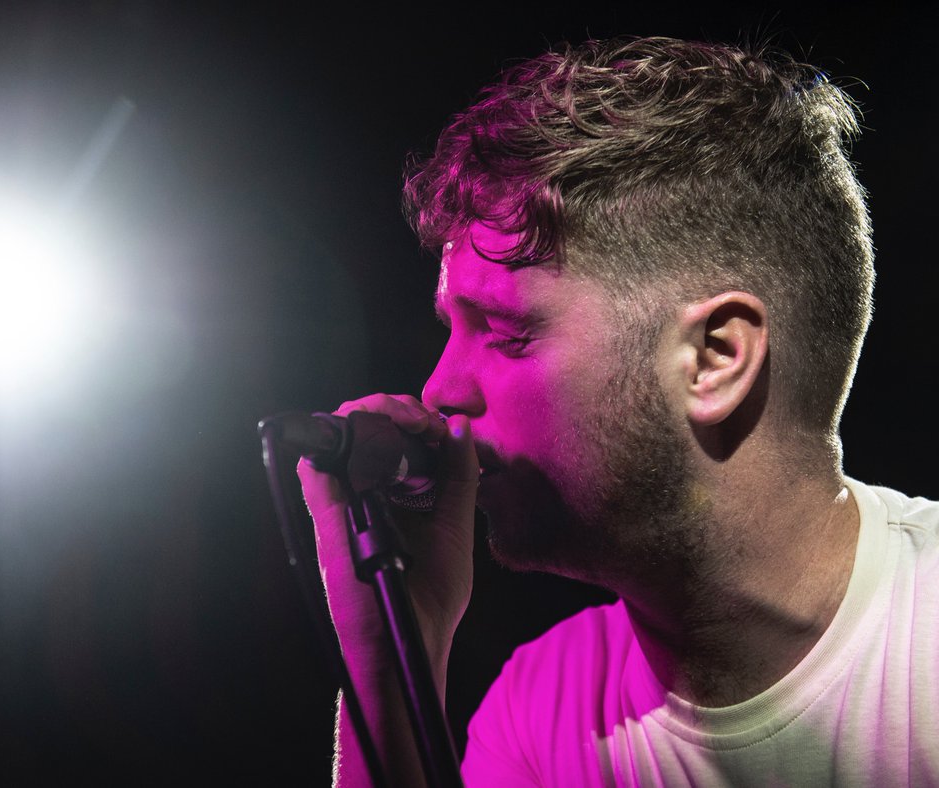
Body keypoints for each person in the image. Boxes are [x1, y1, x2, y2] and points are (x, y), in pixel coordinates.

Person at [298, 36, 938, 786]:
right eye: (453, 330)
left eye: (505, 332)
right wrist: (391, 657)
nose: (440, 390)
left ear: (714, 359)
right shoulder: (540, 712)